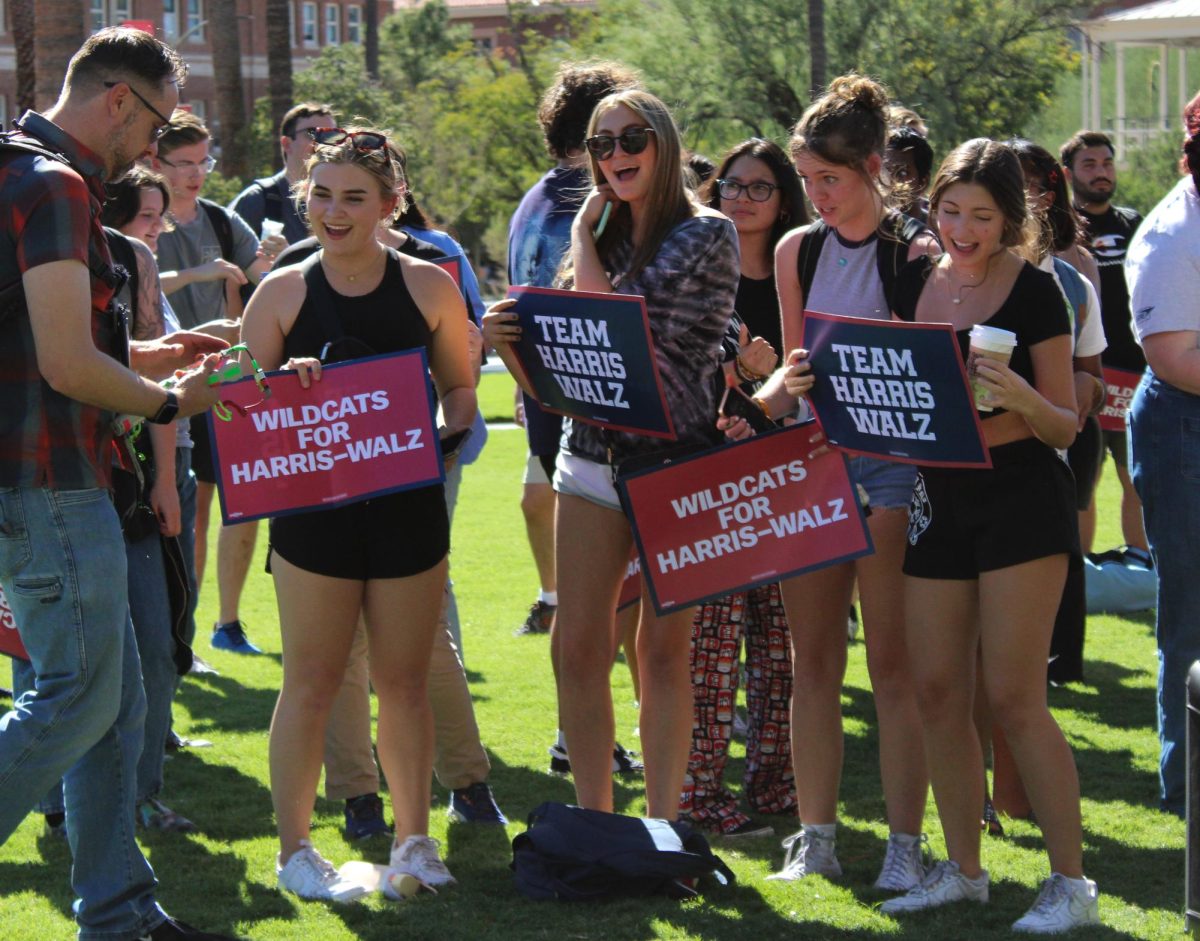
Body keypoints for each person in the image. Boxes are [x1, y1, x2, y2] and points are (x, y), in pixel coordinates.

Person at [0, 26, 236, 941]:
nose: (159, 149)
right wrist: (172, 400)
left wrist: (157, 351)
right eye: (159, 124)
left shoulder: (18, 169)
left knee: (116, 704)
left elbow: (47, 339)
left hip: (40, 480)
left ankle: (122, 913)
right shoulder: (56, 187)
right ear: (118, 101)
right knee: (76, 696)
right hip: (52, 482)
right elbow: (64, 364)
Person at [485, 88, 738, 819]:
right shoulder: (598, 234)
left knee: (663, 655)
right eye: (601, 145)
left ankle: (660, 822)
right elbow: (570, 372)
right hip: (590, 457)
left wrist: (587, 242)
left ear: (663, 143)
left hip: (675, 463)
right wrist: (513, 340)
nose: (616, 156)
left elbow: (610, 334)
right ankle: (597, 820)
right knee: (575, 645)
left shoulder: (706, 233)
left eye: (631, 140)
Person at [240, 126, 475, 900]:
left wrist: (444, 427)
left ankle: (415, 840)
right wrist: (281, 387)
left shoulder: (430, 285)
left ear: (390, 204)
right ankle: (295, 851)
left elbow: (462, 390)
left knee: (405, 679)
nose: (333, 212)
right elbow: (240, 409)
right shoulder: (280, 291)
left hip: (407, 508)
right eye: (321, 194)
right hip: (313, 519)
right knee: (309, 677)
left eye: (353, 198)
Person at [879, 138, 1099, 932]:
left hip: (1023, 506)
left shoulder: (1040, 291)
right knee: (938, 691)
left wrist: (1012, 395)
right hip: (938, 500)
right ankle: (964, 870)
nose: (963, 228)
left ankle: (1071, 883)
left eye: (981, 215)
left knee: (1013, 698)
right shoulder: (914, 278)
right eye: (950, 211)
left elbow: (1065, 425)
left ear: (1012, 220)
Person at [745, 74, 935, 890]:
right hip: (812, 462)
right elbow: (794, 372)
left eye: (832, 179)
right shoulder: (798, 250)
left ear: (873, 168)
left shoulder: (918, 254)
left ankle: (903, 841)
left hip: (892, 468)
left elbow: (936, 383)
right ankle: (814, 835)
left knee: (892, 664)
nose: (817, 196)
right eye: (808, 181)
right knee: (808, 659)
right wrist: (771, 386)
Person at [506, 62, 646, 779]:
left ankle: (580, 729)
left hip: (546, 406)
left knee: (585, 592)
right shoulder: (594, 205)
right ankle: (582, 731)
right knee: (612, 592)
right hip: (600, 417)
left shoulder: (531, 202)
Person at [677, 138, 805, 837]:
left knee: (781, 643)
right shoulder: (697, 269)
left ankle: (777, 785)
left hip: (790, 473)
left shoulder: (801, 272)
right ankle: (700, 794)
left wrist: (762, 379)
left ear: (784, 199)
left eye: (760, 188)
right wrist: (734, 380)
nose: (742, 198)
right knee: (712, 646)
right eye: (731, 185)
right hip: (713, 475)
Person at [208, 103, 335, 665]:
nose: (323, 141)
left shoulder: (344, 190)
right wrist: (272, 268)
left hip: (320, 389)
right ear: (287, 142)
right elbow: (240, 285)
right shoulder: (256, 202)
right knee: (233, 505)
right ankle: (221, 623)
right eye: (313, 134)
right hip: (251, 378)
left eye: (332, 132)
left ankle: (311, 632)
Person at [153, 110, 272, 657]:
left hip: (223, 384)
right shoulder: (139, 217)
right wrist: (203, 274)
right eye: (185, 163)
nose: (197, 173)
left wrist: (270, 264)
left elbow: (259, 280)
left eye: (205, 161)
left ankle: (215, 627)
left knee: (232, 506)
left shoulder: (222, 221)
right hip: (160, 387)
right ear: (155, 162)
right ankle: (179, 636)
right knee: (184, 515)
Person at [1127, 91, 1200, 818]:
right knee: (1194, 614)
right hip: (1186, 428)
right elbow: (1176, 356)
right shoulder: (1173, 236)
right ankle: (1189, 783)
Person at [1061, 130, 1147, 554]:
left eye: (1107, 164)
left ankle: (1140, 565)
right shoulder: (1062, 232)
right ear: (1068, 173)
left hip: (1137, 376)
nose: (1101, 173)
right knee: (1085, 481)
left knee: (1137, 476)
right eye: (1089, 165)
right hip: (1087, 375)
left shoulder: (1136, 224)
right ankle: (1084, 571)